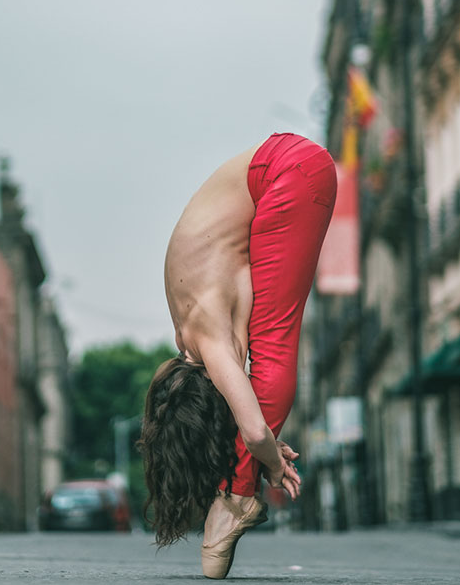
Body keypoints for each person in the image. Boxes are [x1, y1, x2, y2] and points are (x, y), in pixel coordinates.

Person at [138, 132, 336, 579]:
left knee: (272, 349)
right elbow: (252, 426)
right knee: (268, 345)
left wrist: (266, 453)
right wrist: (261, 440)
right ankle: (237, 495)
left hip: (290, 175)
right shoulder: (186, 318)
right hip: (287, 167)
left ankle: (235, 500)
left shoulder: (207, 341)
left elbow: (251, 426)